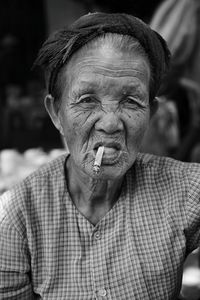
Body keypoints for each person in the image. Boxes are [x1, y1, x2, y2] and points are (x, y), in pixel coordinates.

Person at [0, 12, 199, 300]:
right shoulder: (16, 218)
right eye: (87, 100)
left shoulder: (185, 190)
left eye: (131, 101)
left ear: (150, 114)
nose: (110, 123)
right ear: (56, 113)